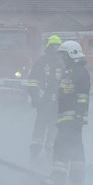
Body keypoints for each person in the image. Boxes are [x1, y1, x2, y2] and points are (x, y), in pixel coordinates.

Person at [51, 40, 90, 185]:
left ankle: (58, 178)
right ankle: (76, 179)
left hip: (72, 118)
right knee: (75, 146)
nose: (62, 59)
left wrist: (78, 116)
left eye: (63, 56)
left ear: (71, 55)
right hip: (69, 118)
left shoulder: (79, 72)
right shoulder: (70, 71)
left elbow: (82, 97)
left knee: (61, 145)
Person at [27, 34, 63, 162]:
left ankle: (50, 156)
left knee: (54, 130)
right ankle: (34, 154)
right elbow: (32, 81)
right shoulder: (42, 61)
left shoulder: (62, 63)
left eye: (58, 46)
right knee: (39, 129)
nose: (56, 49)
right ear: (49, 47)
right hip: (44, 101)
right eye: (54, 46)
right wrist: (35, 98)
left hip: (57, 104)